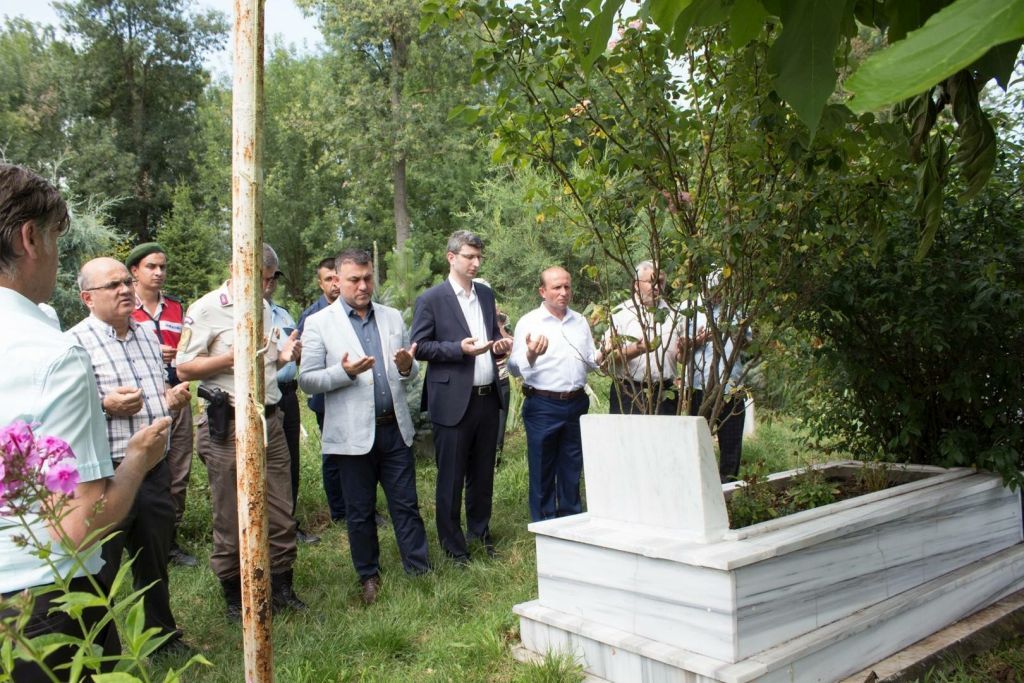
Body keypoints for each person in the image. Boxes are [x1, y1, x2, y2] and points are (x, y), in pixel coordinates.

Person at [0, 163, 169, 681]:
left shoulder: (140, 335)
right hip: (41, 605)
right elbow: (76, 526)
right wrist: (139, 459)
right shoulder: (55, 354)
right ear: (31, 238)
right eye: (55, 237)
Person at [68, 257, 193, 654]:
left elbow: (155, 388)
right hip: (107, 475)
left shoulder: (144, 335)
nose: (125, 290)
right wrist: (105, 404)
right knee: (101, 570)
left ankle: (160, 638)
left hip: (154, 469)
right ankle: (102, 651)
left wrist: (169, 399)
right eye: (113, 286)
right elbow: (68, 411)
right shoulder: (74, 343)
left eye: (126, 282)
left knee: (153, 560)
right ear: (88, 298)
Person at [175, 243, 306, 621]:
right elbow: (184, 368)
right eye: (260, 278)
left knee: (281, 510)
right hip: (227, 424)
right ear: (237, 269)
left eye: (269, 280)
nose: (265, 288)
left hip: (270, 420)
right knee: (231, 514)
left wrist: (286, 355)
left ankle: (281, 587)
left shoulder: (263, 307)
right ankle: (234, 593)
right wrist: (229, 357)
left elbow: (267, 359)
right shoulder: (206, 309)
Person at [299, 249, 430, 604]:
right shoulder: (319, 323)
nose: (363, 285)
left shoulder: (389, 318)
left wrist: (407, 366)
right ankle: (368, 576)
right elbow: (307, 380)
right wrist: (345, 373)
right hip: (352, 436)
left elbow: (409, 371)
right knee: (359, 511)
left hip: (394, 428)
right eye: (354, 279)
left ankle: (419, 569)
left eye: (368, 278)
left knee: (406, 504)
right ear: (337, 280)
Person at [410, 231, 512, 564]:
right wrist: (458, 349)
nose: (476, 262)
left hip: (487, 397)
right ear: (451, 257)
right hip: (453, 401)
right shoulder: (432, 299)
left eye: (479, 256)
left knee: (483, 475)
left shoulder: (484, 293)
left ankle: (480, 534)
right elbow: (420, 346)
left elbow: (492, 335)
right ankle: (453, 546)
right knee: (451, 477)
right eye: (470, 256)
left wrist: (499, 344)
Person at [508, 266, 599, 522]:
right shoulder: (529, 322)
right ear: (542, 291)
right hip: (543, 404)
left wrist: (605, 353)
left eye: (567, 286)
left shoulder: (579, 321)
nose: (563, 292)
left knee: (572, 466)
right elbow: (513, 368)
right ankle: (545, 526)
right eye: (556, 287)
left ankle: (572, 521)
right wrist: (531, 354)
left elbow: (590, 360)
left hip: (576, 403)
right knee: (542, 468)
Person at [128, 242, 198, 567]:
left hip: (177, 391)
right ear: (134, 272)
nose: (158, 273)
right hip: (143, 396)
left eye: (162, 267)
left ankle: (170, 540)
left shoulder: (175, 308)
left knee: (179, 466)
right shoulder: (126, 308)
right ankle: (140, 537)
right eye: (151, 267)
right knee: (147, 465)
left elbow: (188, 349)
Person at [264, 265, 320, 545]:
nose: (270, 282)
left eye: (274, 276)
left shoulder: (283, 314)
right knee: (262, 464)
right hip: (259, 397)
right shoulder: (239, 315)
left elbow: (294, 353)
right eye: (265, 276)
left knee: (289, 462)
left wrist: (297, 355)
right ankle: (263, 527)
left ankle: (288, 523)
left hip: (287, 393)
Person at [297, 257, 347, 524]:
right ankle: (339, 511)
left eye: (337, 278)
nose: (334, 284)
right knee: (334, 455)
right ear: (321, 283)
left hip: (354, 394)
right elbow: (304, 363)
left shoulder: (353, 310)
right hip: (326, 399)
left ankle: (363, 506)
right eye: (328, 279)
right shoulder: (311, 317)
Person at [687, 280, 749, 483]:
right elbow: (681, 345)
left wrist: (736, 333)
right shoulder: (691, 309)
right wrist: (699, 339)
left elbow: (748, 345)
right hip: (699, 387)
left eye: (720, 289)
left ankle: (728, 487)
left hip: (731, 386)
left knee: (731, 445)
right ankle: (701, 485)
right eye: (712, 290)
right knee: (697, 444)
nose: (716, 294)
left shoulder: (736, 309)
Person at [605, 261, 683, 415]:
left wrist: (685, 349)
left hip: (665, 393)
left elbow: (681, 358)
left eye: (659, 282)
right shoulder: (620, 313)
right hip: (629, 391)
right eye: (650, 281)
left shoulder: (674, 314)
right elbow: (609, 359)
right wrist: (637, 349)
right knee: (627, 438)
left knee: (664, 438)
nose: (656, 287)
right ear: (636, 284)